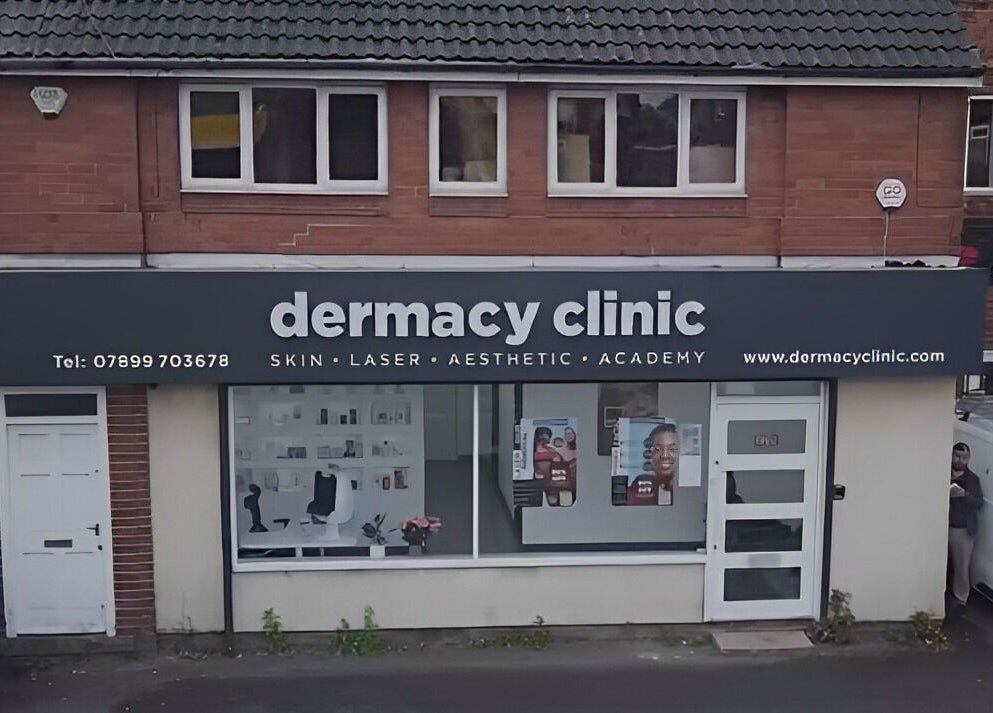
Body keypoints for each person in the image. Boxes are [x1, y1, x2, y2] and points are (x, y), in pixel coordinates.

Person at [949, 442, 984, 607]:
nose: (960, 460)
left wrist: (964, 494)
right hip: (943, 526)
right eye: (957, 456)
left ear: (969, 459)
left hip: (963, 530)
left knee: (962, 566)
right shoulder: (943, 473)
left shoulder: (972, 479)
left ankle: (961, 598)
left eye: (964, 457)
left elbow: (979, 503)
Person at [627, 423, 679, 505]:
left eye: (672, 449)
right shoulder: (639, 488)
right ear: (650, 454)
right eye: (658, 449)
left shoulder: (689, 492)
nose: (665, 455)